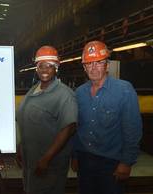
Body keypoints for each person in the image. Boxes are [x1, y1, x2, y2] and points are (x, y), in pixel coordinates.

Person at [72, 40, 142, 194]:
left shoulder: (124, 90)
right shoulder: (79, 93)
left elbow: (132, 129)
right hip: (85, 162)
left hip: (111, 164)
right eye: (89, 64)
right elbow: (77, 128)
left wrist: (126, 162)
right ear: (84, 68)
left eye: (98, 62)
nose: (94, 67)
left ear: (107, 65)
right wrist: (75, 156)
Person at [16, 46, 77, 194]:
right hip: (31, 160)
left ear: (56, 69)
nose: (45, 69)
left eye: (50, 66)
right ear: (36, 68)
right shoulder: (34, 90)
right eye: (41, 65)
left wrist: (46, 159)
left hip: (49, 164)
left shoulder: (64, 95)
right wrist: (20, 147)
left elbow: (68, 128)